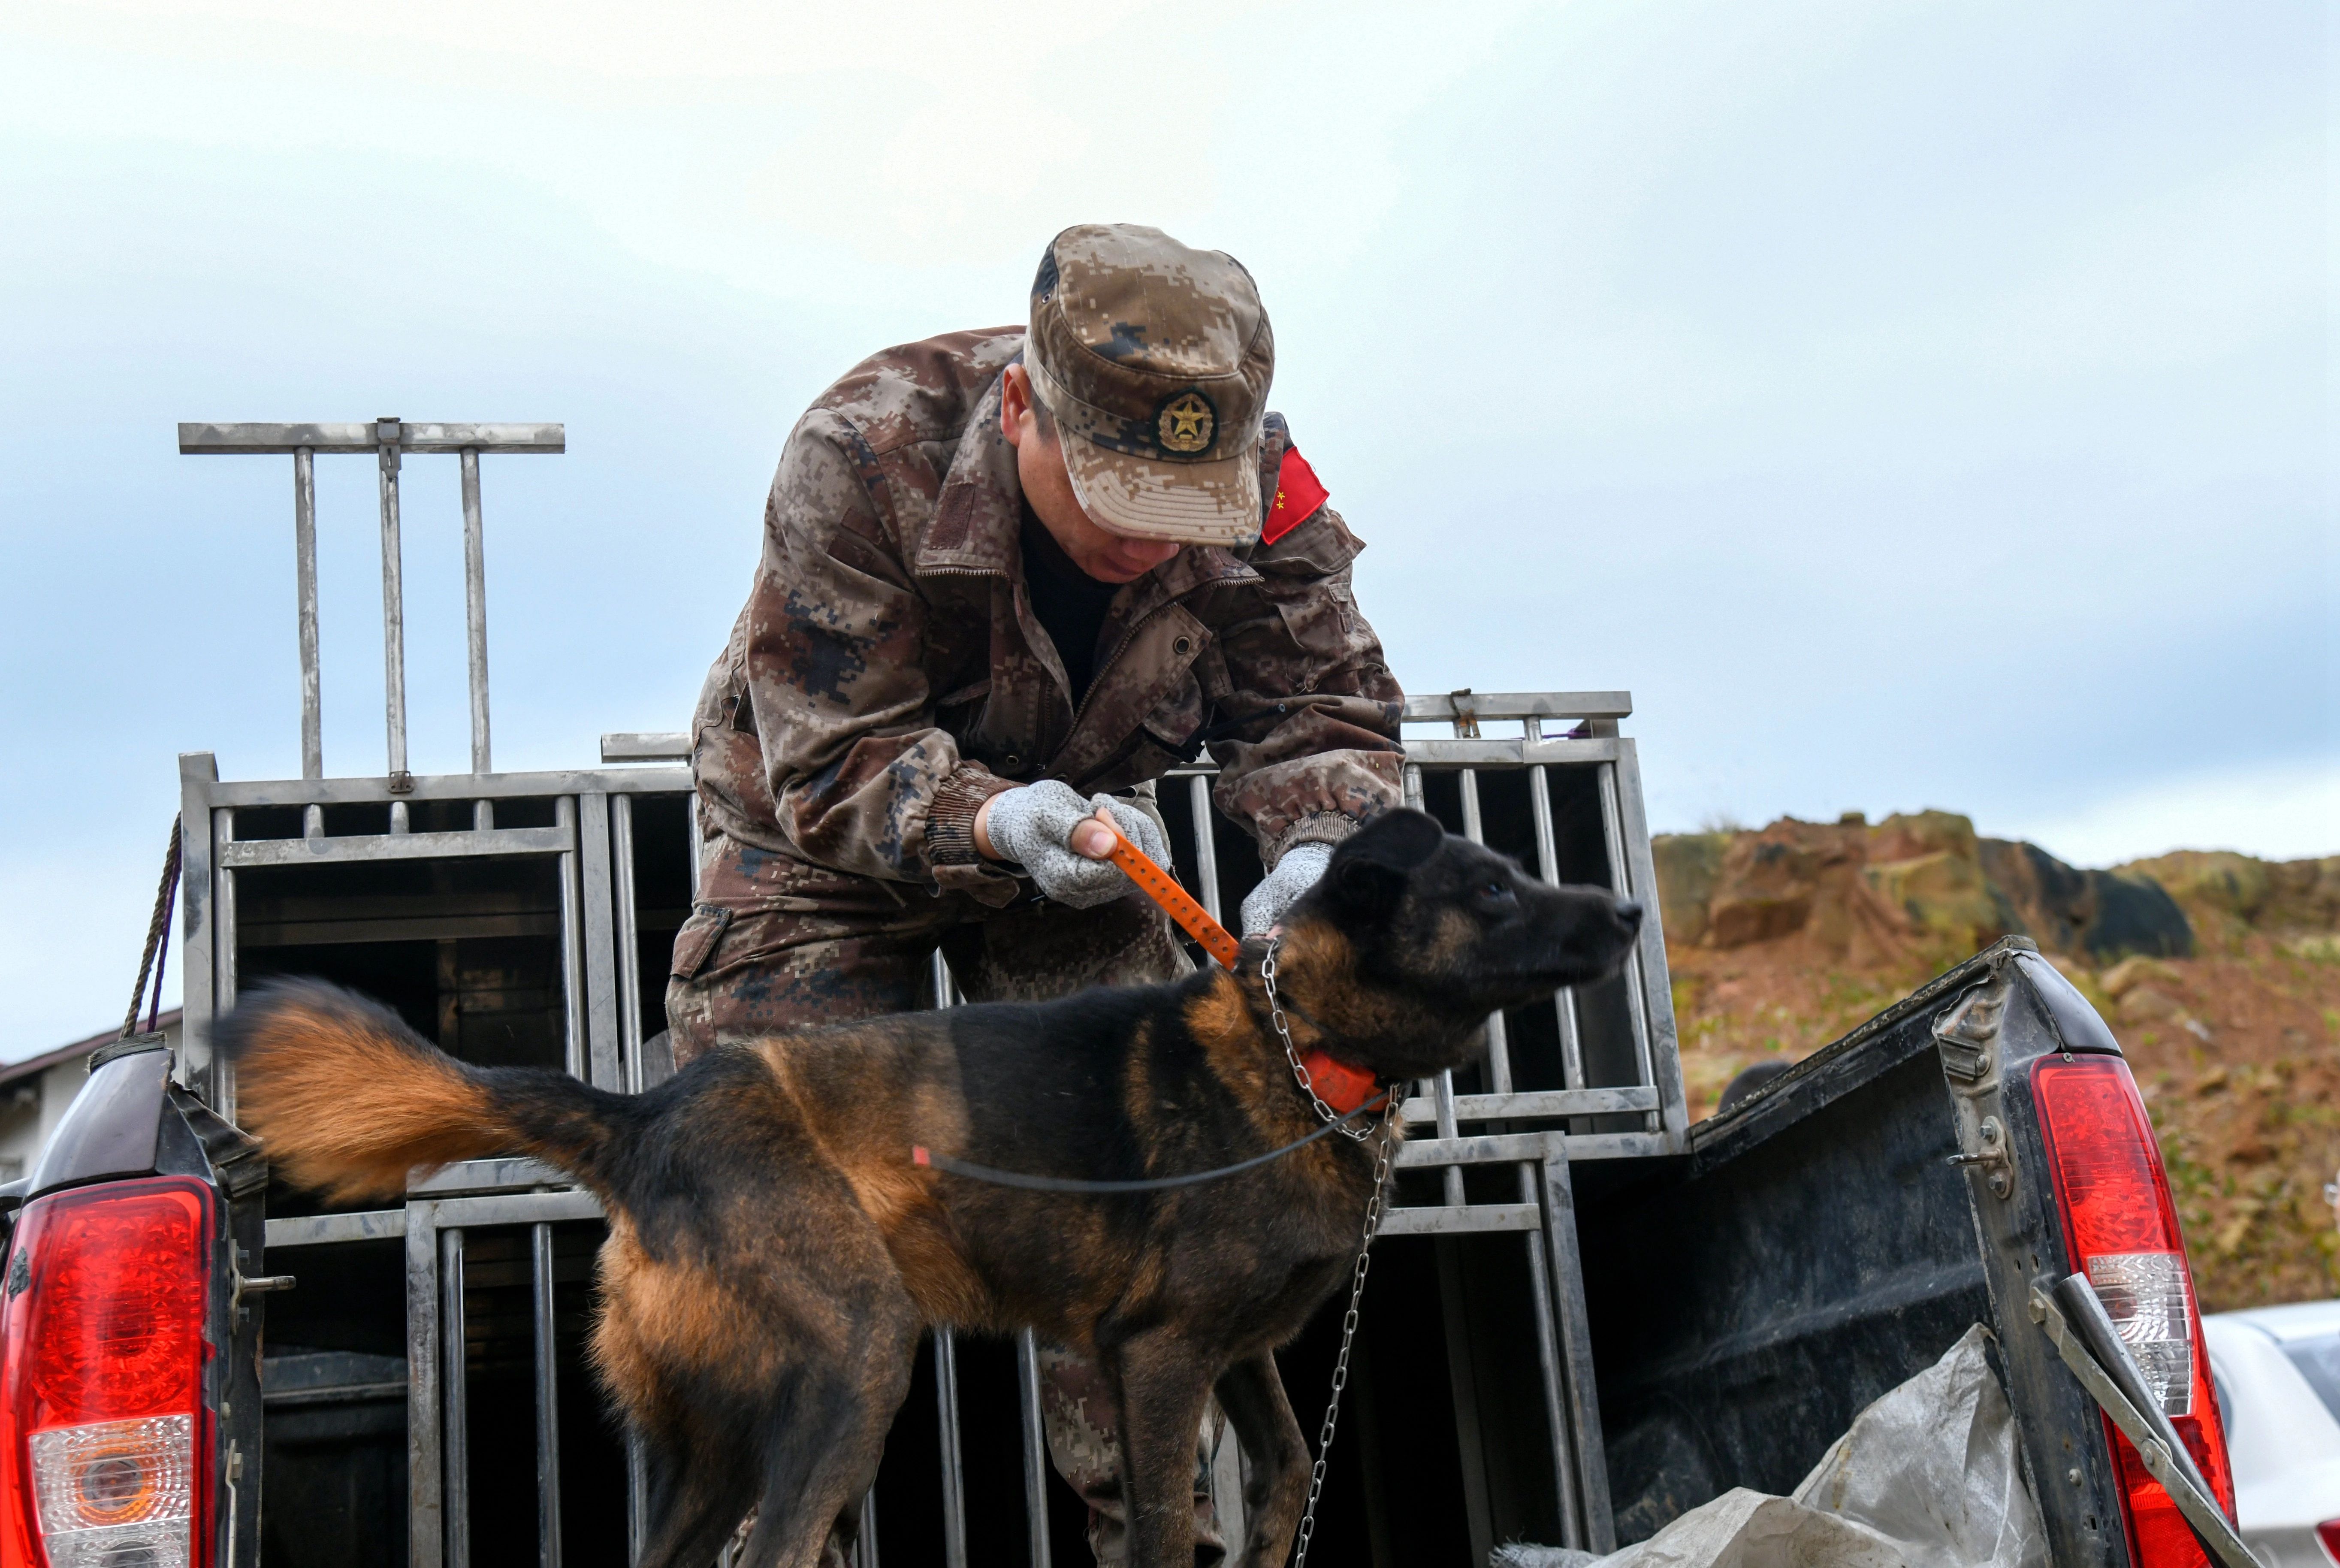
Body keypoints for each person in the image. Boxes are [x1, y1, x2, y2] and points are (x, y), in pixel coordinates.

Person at [668, 223, 1406, 1565]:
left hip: (1089, 852)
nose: (1149, 540)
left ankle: (1159, 1547)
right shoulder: (860, 449)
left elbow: (1325, 708)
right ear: (1023, 407)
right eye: (1117, 492)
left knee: (1157, 1185)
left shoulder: (1266, 483)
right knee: (787, 1204)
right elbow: (833, 758)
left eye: (1186, 507)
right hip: (824, 845)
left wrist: (1313, 862)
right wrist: (994, 820)